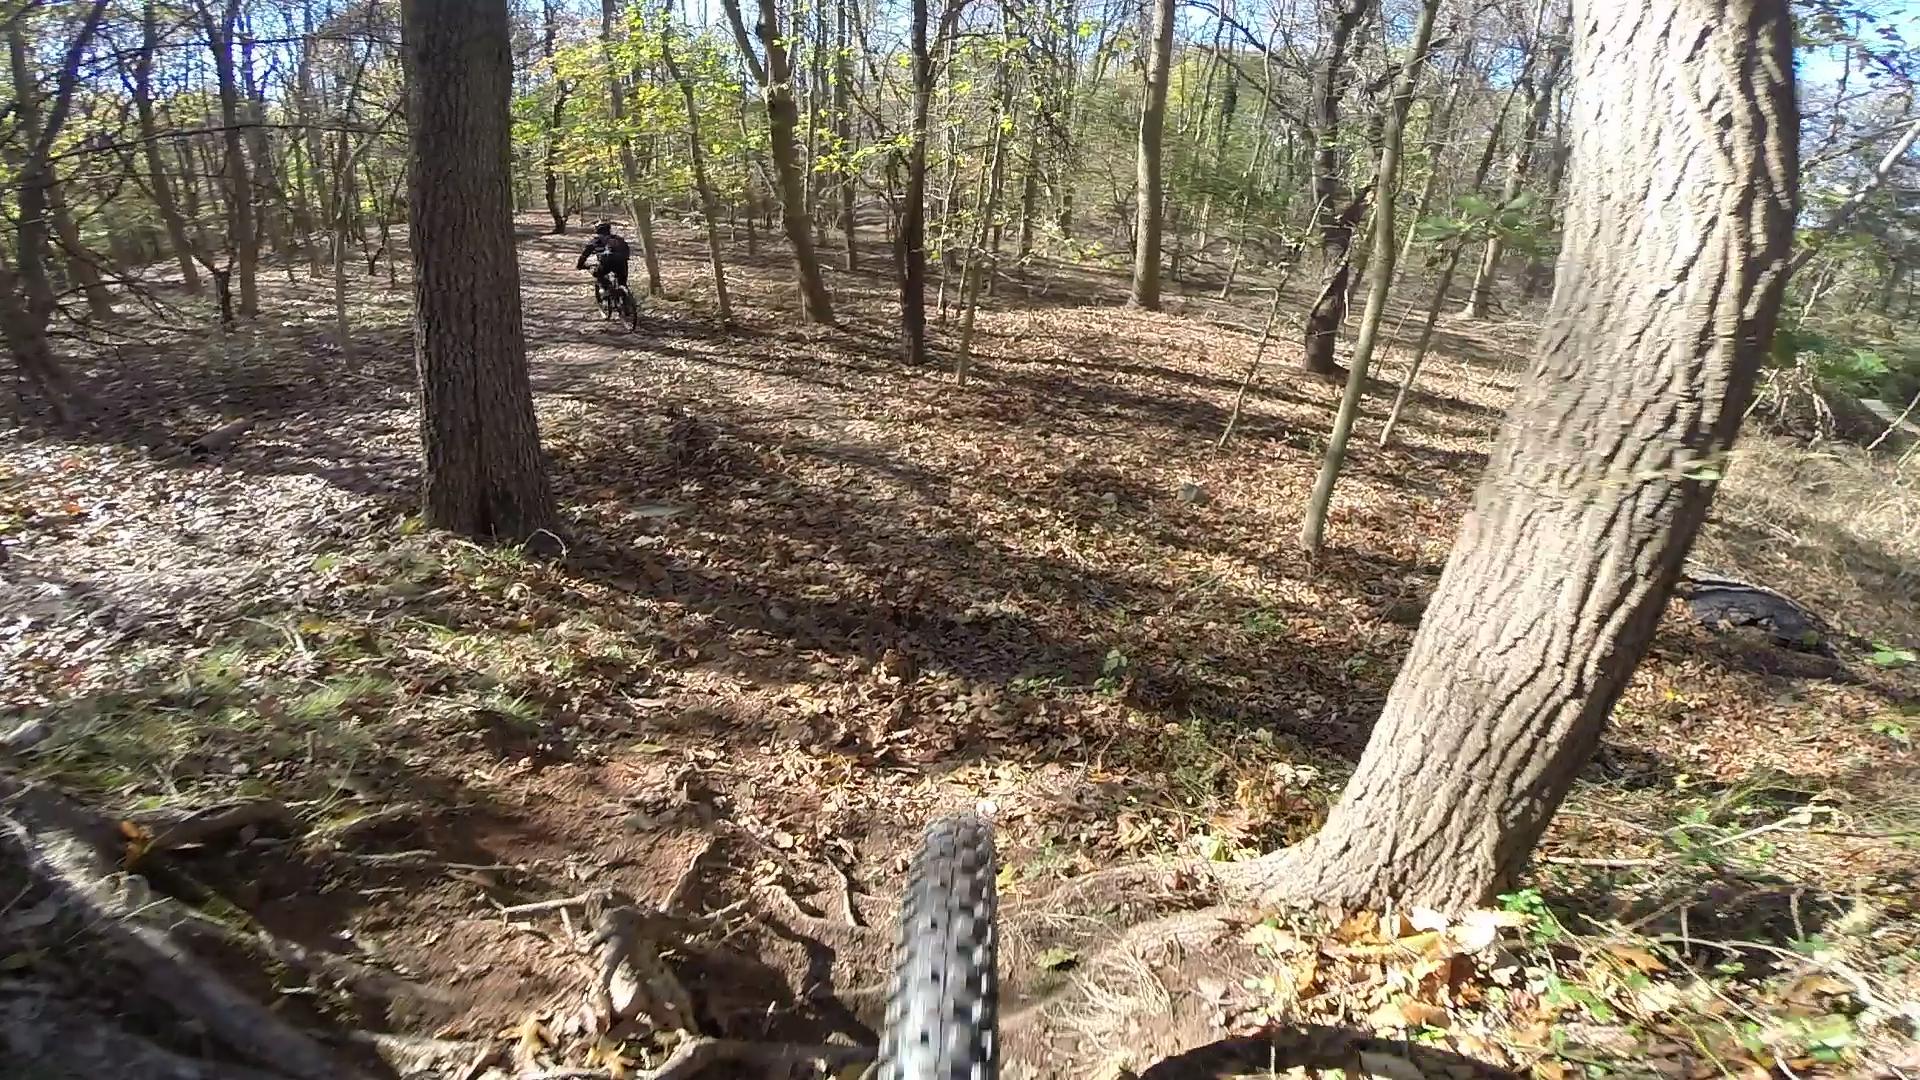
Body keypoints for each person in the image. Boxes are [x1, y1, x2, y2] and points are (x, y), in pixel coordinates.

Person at [576, 221, 632, 309]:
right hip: (622, 262)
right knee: (622, 283)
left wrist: (580, 265)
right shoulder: (619, 239)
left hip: (606, 262)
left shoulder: (596, 241)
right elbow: (627, 250)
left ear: (597, 231)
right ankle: (626, 302)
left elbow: (584, 255)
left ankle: (606, 293)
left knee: (598, 274)